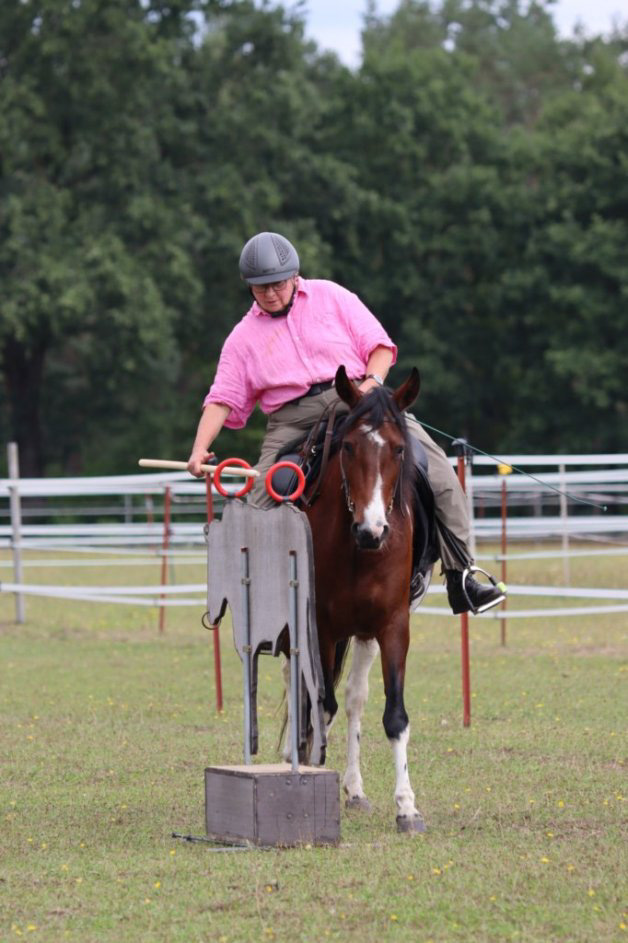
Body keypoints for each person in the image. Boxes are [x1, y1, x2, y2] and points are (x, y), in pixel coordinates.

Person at [187, 231, 505, 615]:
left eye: (276, 284)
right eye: (260, 288)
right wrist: (199, 447)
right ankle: (253, 597)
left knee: (438, 472)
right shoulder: (242, 338)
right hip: (292, 418)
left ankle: (462, 577)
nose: (269, 293)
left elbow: (381, 347)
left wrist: (372, 383)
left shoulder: (332, 297)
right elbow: (222, 398)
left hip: (357, 398)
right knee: (257, 502)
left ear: (294, 277)